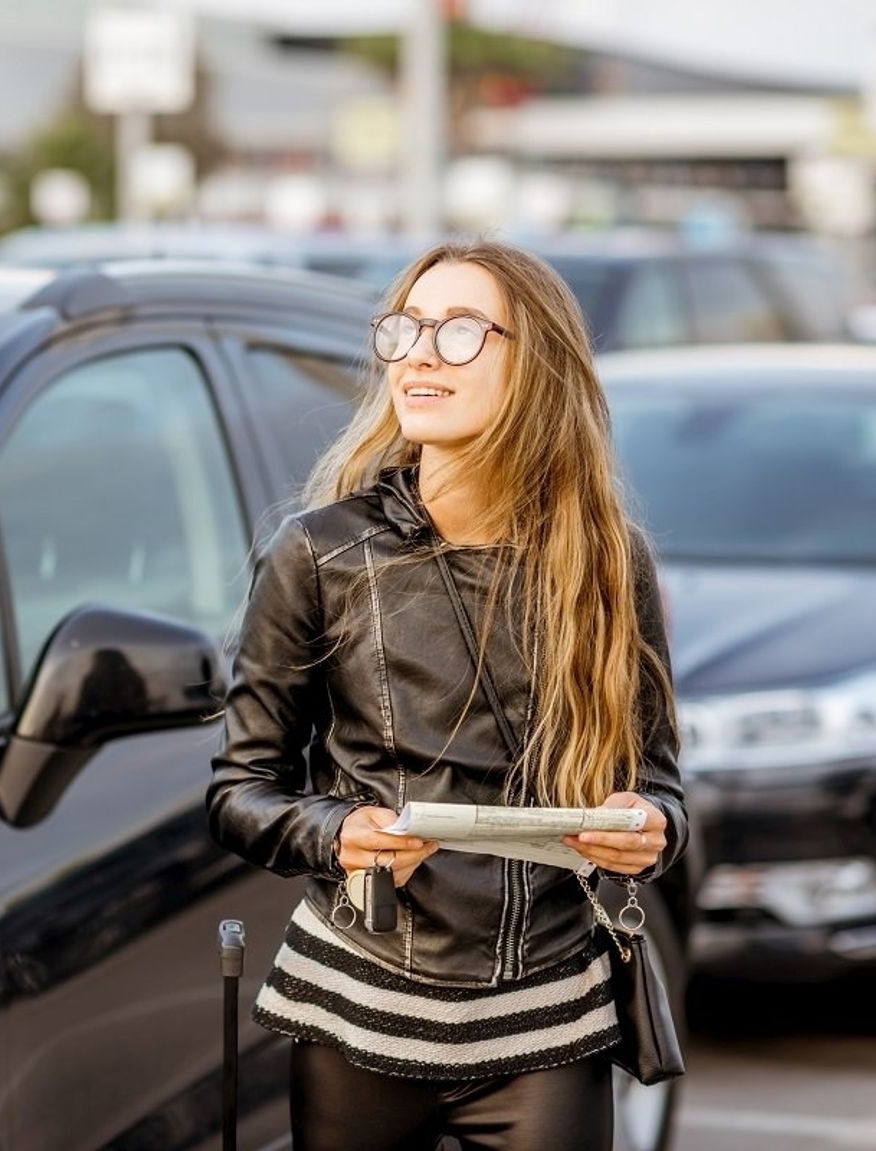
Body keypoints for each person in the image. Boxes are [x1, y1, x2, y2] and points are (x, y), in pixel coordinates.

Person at [206, 239, 685, 1151]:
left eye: (461, 330)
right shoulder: (318, 553)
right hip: (360, 1007)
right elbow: (239, 792)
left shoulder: (610, 561)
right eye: (407, 327)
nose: (419, 353)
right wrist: (338, 833)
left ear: (534, 363)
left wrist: (647, 827)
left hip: (550, 1016)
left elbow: (660, 790)